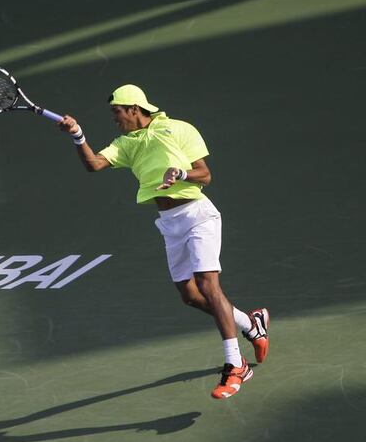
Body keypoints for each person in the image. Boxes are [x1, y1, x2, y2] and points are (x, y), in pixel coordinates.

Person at [57, 84, 269, 399]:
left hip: (198, 215)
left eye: (117, 112)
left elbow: (204, 174)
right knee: (191, 296)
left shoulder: (178, 129)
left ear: (133, 108)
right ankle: (250, 323)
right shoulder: (125, 144)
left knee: (209, 285)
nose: (115, 120)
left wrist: (181, 173)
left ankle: (235, 365)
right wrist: (77, 134)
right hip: (169, 224)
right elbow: (94, 164)